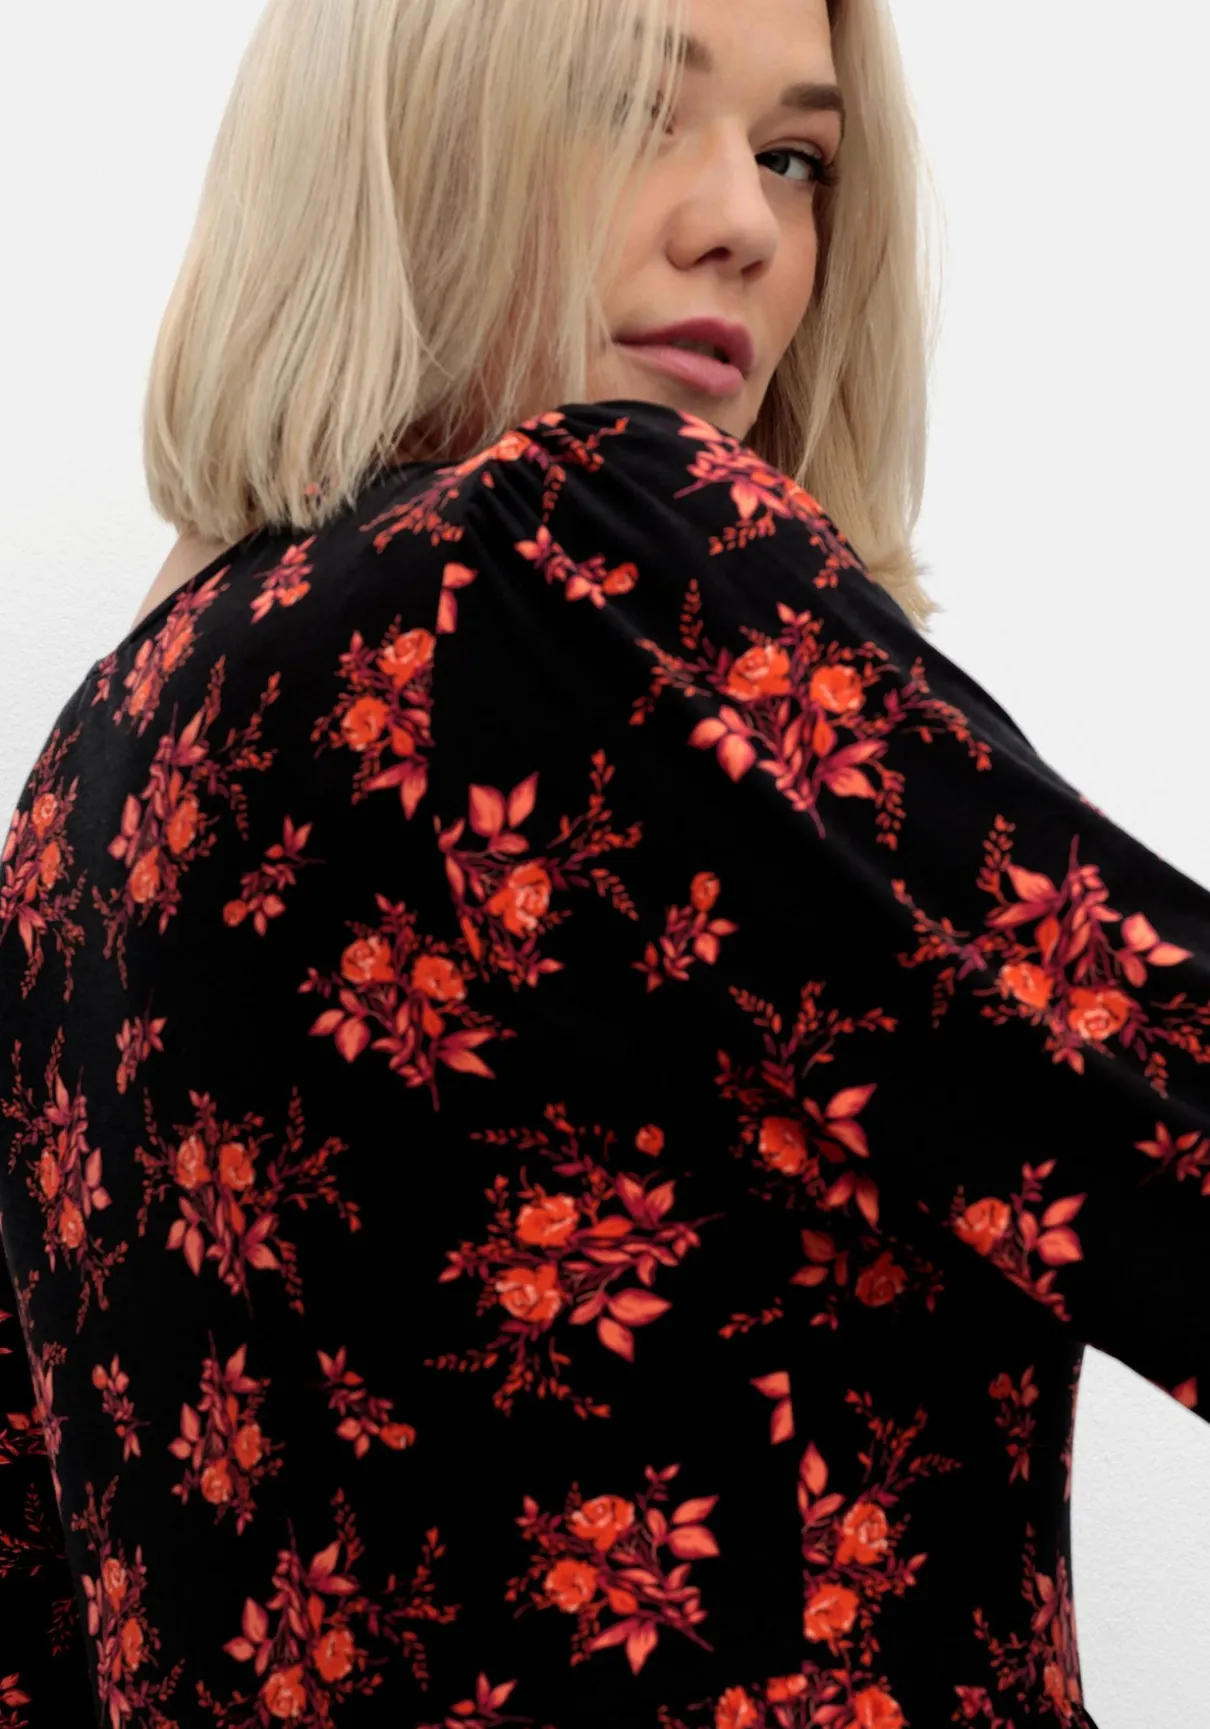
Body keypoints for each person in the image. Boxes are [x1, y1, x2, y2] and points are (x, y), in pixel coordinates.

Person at [0, 2, 1205, 1727]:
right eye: (632, 110)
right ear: (411, 137)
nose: (744, 223)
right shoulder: (573, 550)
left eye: (794, 157)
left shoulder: (90, 776)